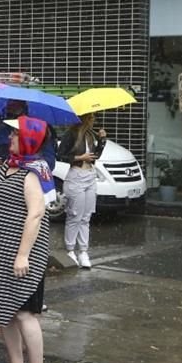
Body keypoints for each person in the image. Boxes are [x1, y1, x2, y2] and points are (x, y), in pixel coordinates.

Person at [0, 116, 51, 363]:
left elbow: (35, 214)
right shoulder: (10, 166)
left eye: (16, 135)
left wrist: (22, 255)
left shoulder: (34, 172)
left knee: (24, 313)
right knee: (4, 309)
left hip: (23, 252)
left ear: (30, 140)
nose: (10, 138)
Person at [57, 114, 107, 269]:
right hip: (76, 176)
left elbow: (95, 157)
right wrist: (79, 157)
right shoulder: (71, 134)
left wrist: (102, 142)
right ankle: (70, 250)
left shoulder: (91, 135)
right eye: (91, 117)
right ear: (85, 118)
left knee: (86, 216)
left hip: (90, 175)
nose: (94, 120)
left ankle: (83, 251)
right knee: (75, 216)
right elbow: (61, 155)